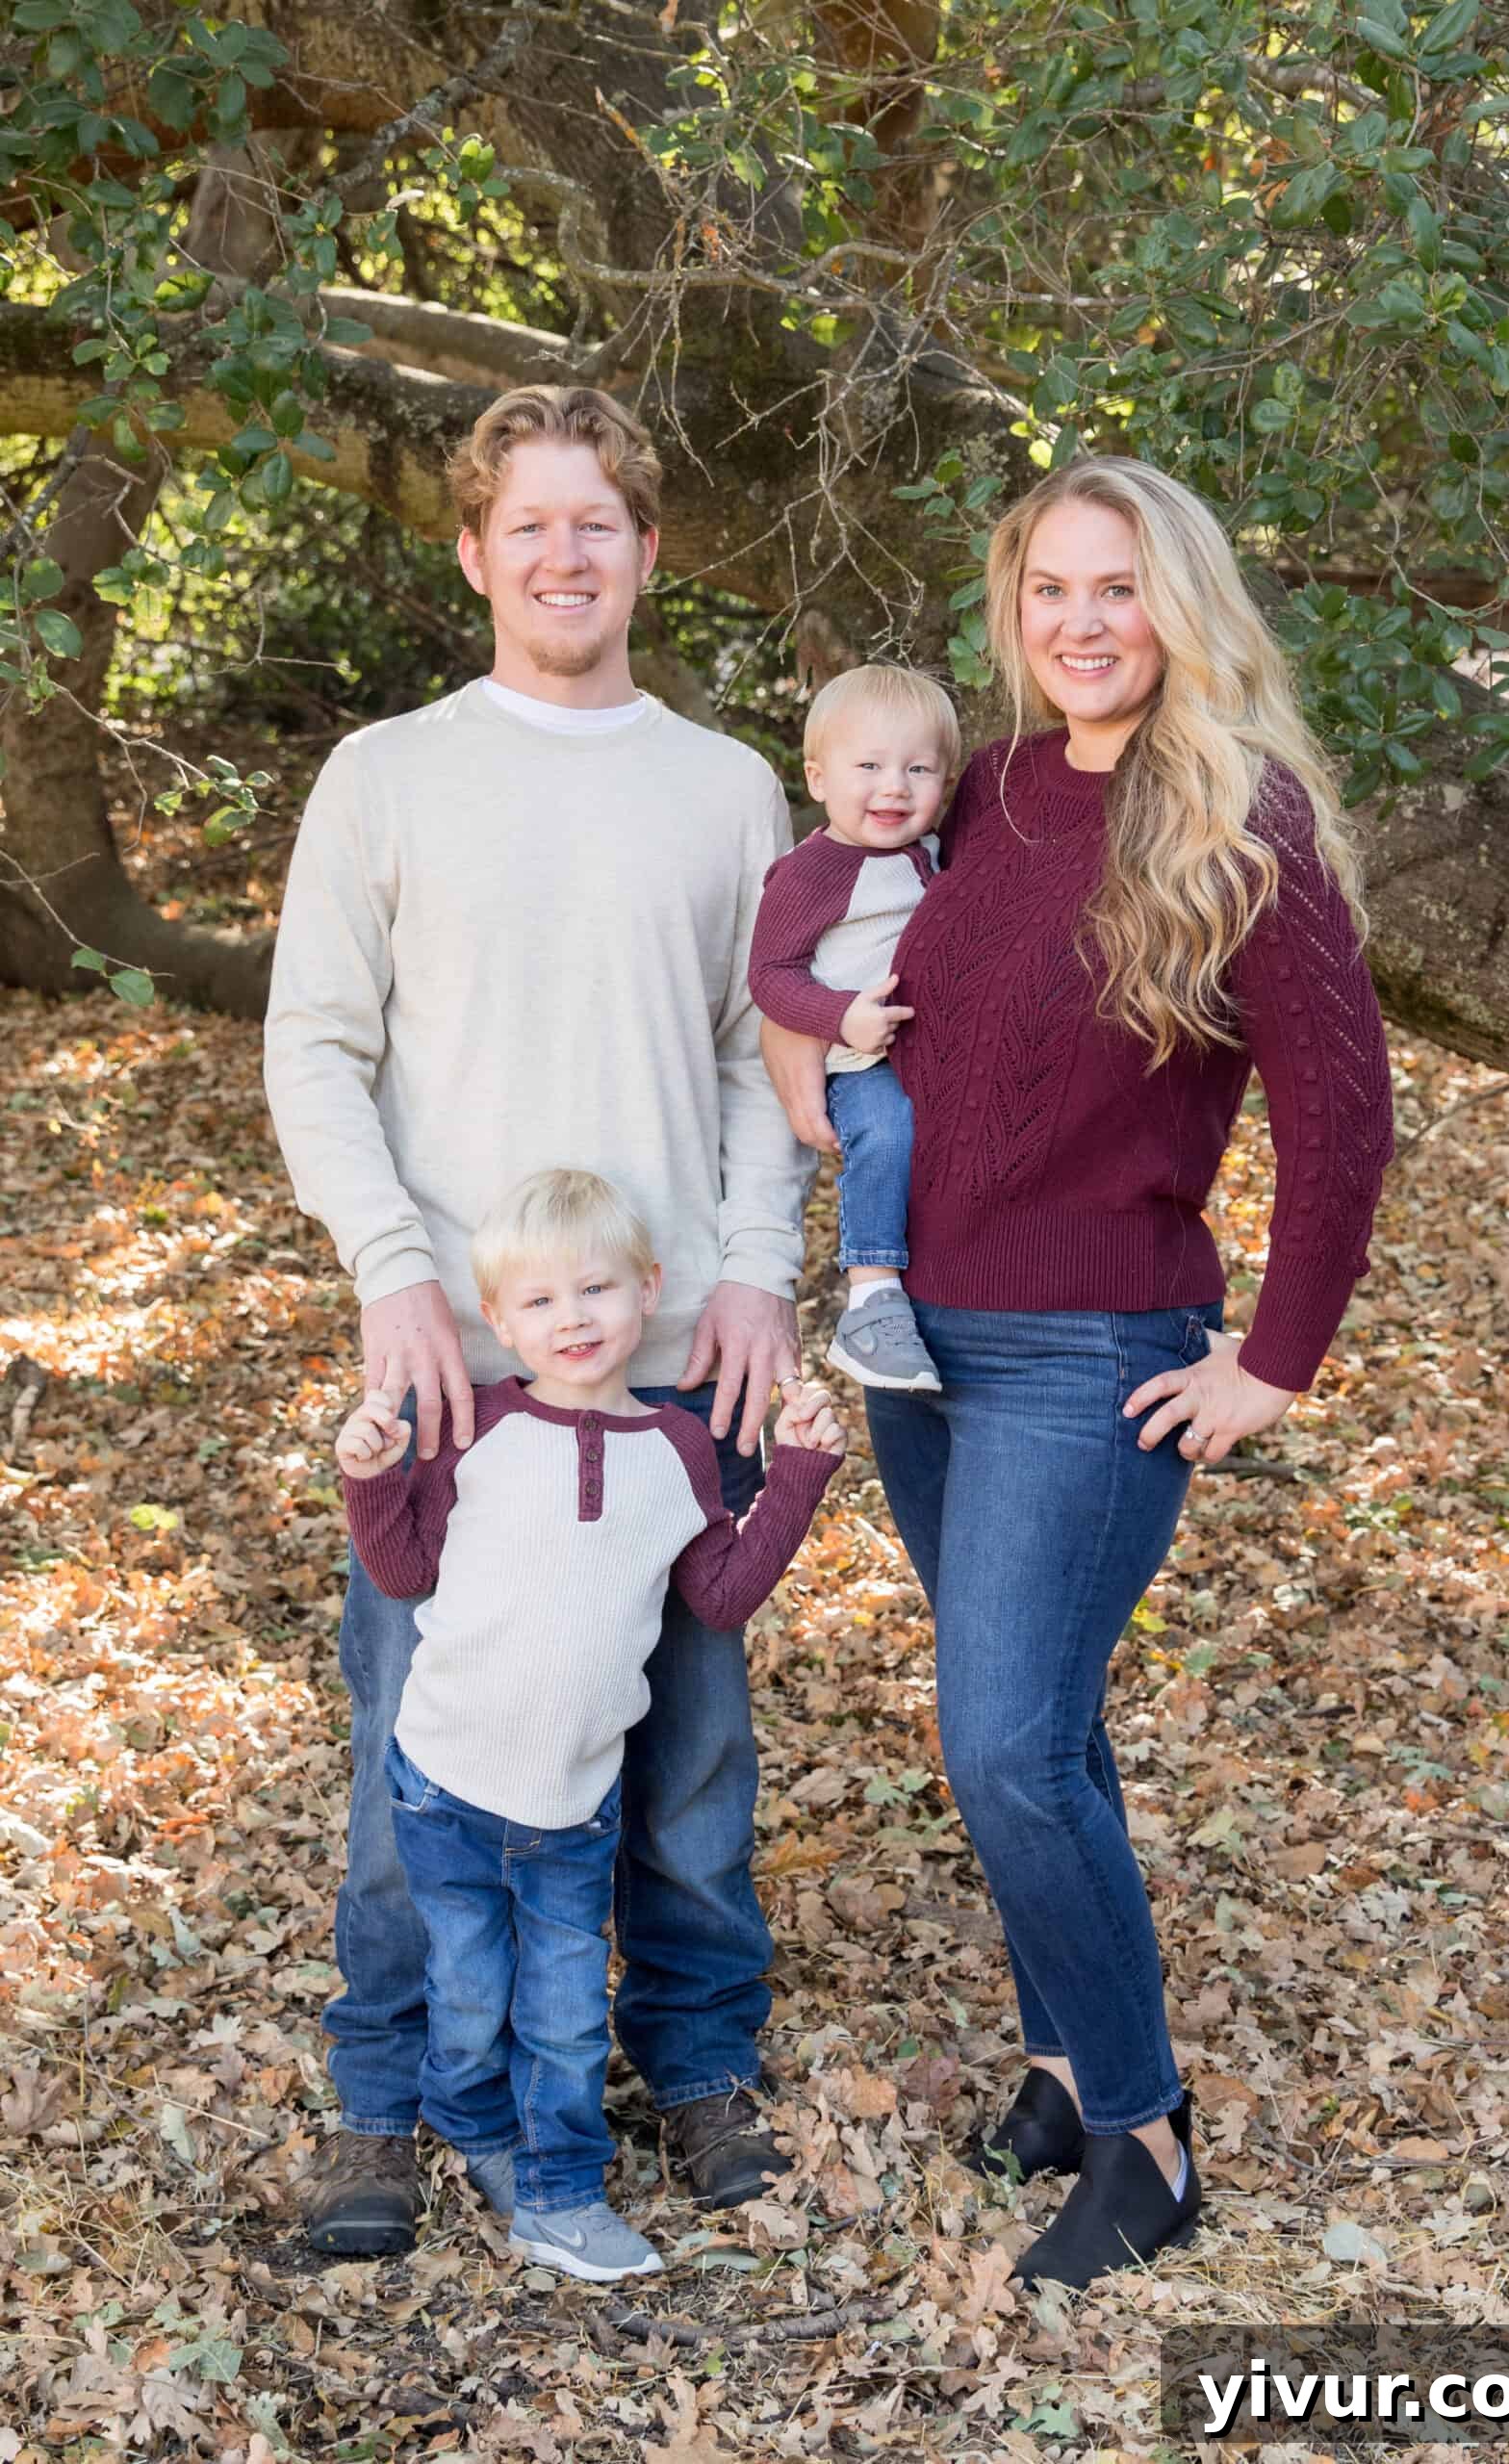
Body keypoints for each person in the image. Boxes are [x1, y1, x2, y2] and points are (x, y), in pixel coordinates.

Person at [760, 456, 1396, 2290]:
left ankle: (1142, 2134)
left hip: (1091, 1353)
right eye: (1048, 589)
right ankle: (1056, 2064)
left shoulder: (1237, 817)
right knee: (1042, 1728)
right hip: (918, 1344)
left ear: (1176, 602)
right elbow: (859, 981)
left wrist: (1274, 1360)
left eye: (1114, 586)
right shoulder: (986, 790)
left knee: (1006, 1749)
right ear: (1011, 610)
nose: (1080, 621)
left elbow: (1339, 1116)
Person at [264, 383, 817, 2256]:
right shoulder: (389, 774)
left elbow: (769, 1059)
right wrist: (389, 1270)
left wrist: (757, 1260)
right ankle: (385, 2094)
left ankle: (697, 2057)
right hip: (459, 1365)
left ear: (648, 550)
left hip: (679, 1363)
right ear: (475, 551)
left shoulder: (726, 785)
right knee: (416, 1740)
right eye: (531, 524)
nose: (565, 554)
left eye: (600, 523)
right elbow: (316, 1048)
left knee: (684, 1745)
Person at [335, 1169, 843, 2282]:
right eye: (539, 1302)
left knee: (564, 2013)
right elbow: (404, 1570)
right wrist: (370, 1478)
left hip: (573, 1805)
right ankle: (471, 2124)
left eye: (597, 1289)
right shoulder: (479, 1435)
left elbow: (719, 1594)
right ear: (497, 1319)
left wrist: (799, 1472)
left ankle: (560, 2192)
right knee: (470, 2000)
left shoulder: (677, 1450)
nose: (572, 1319)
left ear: (650, 1290)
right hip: (445, 1786)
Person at [749, 666, 960, 1396]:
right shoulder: (813, 872)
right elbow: (770, 976)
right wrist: (841, 1017)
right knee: (889, 1135)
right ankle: (870, 1300)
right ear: (817, 777)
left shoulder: (931, 854)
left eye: (917, 769)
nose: (893, 787)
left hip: (938, 1060)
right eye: (867, 766)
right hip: (861, 1060)